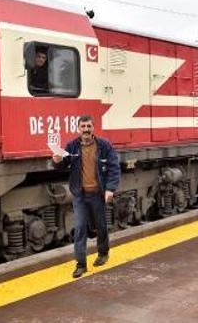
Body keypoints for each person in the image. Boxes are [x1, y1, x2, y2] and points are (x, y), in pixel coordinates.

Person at [52, 115, 120, 278]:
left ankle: (103, 253)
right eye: (83, 127)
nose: (86, 130)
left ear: (93, 128)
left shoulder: (104, 146)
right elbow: (62, 166)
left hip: (98, 193)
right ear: (78, 128)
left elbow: (114, 167)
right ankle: (81, 264)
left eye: (89, 126)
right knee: (80, 227)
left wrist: (110, 189)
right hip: (80, 195)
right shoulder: (72, 146)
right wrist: (57, 160)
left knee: (101, 225)